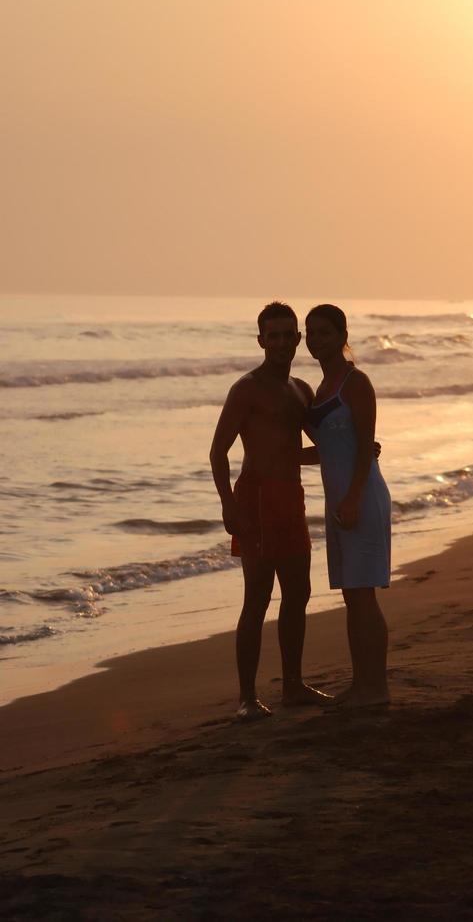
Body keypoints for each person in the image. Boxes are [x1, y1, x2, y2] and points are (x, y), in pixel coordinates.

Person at [209, 302, 332, 721]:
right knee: (257, 597)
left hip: (290, 498)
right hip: (256, 498)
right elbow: (218, 452)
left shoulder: (301, 390)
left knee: (298, 593)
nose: (281, 342)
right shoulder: (247, 388)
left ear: (298, 339)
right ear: (261, 341)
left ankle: (293, 686)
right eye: (272, 336)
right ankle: (246, 697)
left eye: (287, 335)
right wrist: (228, 503)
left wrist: (355, 448)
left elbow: (314, 448)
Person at [305, 304, 391, 708]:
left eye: (324, 331)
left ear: (342, 336)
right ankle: (361, 685)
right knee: (352, 597)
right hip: (338, 502)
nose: (316, 339)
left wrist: (354, 497)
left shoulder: (355, 382)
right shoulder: (320, 391)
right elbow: (328, 449)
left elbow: (364, 450)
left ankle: (376, 688)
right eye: (311, 333)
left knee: (364, 595)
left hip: (362, 497)